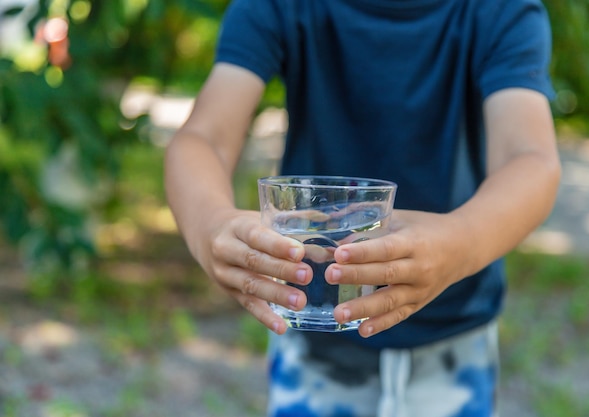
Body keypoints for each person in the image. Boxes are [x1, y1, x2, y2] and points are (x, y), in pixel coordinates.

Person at [164, 0, 561, 415]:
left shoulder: (500, 10)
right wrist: (208, 223)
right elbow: (203, 137)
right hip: (312, 330)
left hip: (455, 335)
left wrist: (459, 243)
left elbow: (531, 159)